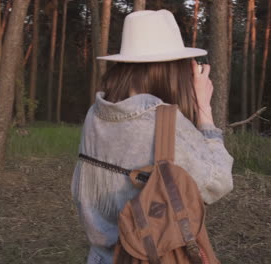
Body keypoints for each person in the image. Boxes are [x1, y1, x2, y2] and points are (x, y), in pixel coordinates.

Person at [71, 10, 234, 264]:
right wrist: (204, 111)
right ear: (173, 70)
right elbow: (218, 182)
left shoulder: (95, 114)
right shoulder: (163, 123)